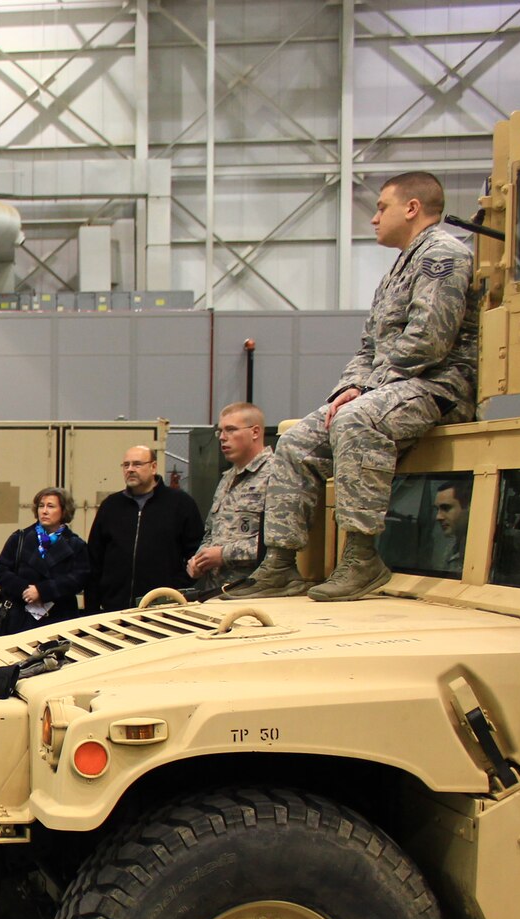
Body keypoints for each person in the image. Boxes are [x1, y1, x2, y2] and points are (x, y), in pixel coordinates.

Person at [232, 171, 479, 601]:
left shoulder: (443, 255)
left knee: (355, 421)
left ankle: (362, 558)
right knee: (295, 442)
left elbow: (429, 340)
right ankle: (280, 563)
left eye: (382, 207)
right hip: (395, 387)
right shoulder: (400, 267)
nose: (374, 218)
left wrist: (365, 392)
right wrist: (348, 387)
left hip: (438, 386)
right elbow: (369, 346)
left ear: (412, 208)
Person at [84, 444, 204, 612]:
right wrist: (92, 609)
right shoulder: (110, 506)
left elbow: (196, 553)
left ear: (153, 467)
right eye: (126, 465)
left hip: (163, 608)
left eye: (137, 464)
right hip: (114, 608)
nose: (130, 469)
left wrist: (177, 588)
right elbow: (94, 561)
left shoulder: (180, 504)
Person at [187, 403, 273, 593]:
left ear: (255, 432)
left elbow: (279, 542)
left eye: (231, 430)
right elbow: (211, 531)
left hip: (254, 593)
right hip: (217, 593)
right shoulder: (228, 478)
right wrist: (199, 559)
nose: (223, 438)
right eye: (220, 432)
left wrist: (224, 555)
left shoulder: (276, 475)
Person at [0, 488, 91, 635]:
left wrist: (42, 591)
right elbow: (0, 570)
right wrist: (25, 590)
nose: (44, 511)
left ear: (64, 510)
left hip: (59, 618)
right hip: (20, 616)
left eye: (50, 506)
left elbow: (79, 578)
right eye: (41, 506)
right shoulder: (20, 539)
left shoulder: (75, 544)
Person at [436, 477, 471, 567]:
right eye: (437, 509)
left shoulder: (483, 552)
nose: (438, 517)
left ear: (468, 507)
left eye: (446, 508)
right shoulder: (452, 548)